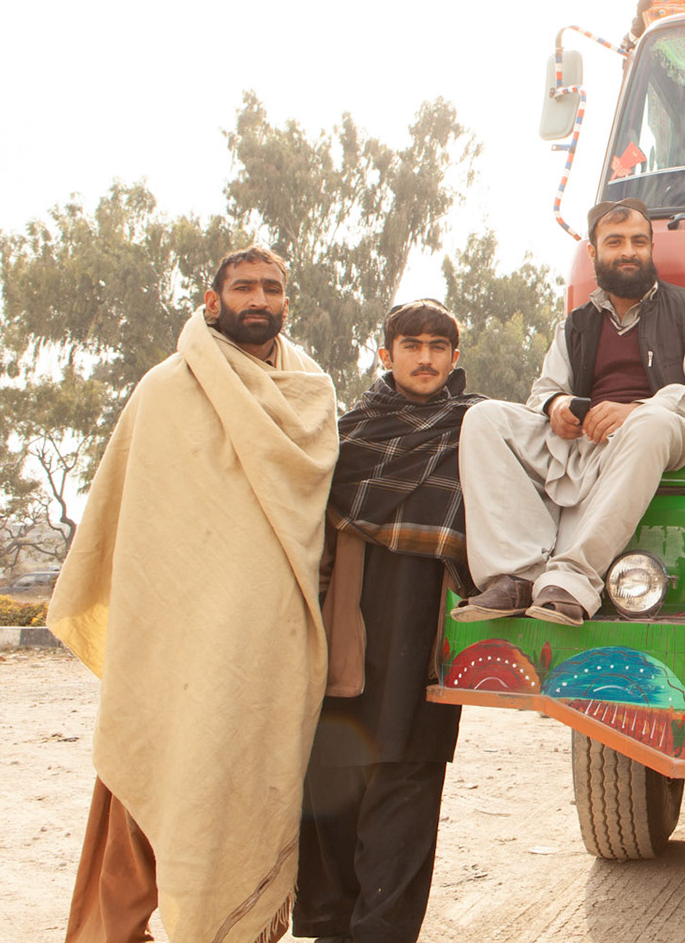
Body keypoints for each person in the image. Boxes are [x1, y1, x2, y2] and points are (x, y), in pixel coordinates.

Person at [49, 246, 338, 943]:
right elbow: (134, 519)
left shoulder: (312, 394)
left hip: (268, 641)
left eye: (271, 288)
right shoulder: (166, 390)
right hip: (174, 636)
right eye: (243, 287)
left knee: (249, 784)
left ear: (287, 304)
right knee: (148, 774)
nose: (258, 298)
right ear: (213, 301)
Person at [296, 299, 484, 943]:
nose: (425, 358)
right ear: (386, 355)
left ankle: (384, 932)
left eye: (438, 346)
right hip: (348, 618)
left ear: (456, 358)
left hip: (427, 629)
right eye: (412, 345)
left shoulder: (478, 428)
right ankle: (329, 924)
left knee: (407, 783)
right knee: (334, 777)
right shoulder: (345, 435)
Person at [454, 198, 685, 624]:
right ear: (593, 252)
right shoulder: (577, 323)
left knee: (651, 423)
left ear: (651, 248)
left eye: (639, 242)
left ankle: (571, 580)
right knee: (483, 418)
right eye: (615, 242)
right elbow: (544, 390)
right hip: (588, 441)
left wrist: (635, 409)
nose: (628, 252)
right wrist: (558, 405)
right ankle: (517, 577)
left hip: (665, 434)